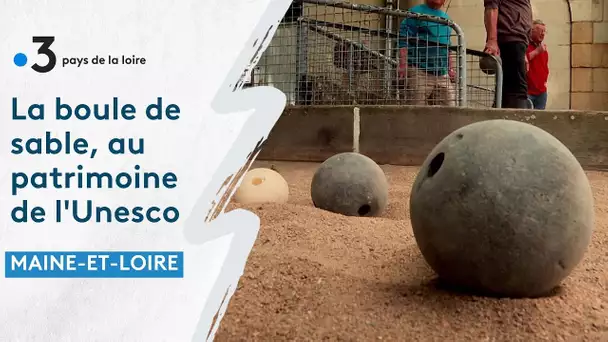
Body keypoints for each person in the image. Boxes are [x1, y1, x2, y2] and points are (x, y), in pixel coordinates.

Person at [398, 0, 456, 106]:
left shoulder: (447, 18)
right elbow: (403, 39)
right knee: (416, 108)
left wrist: (450, 68)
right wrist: (403, 64)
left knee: (450, 107)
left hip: (442, 73)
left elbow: (448, 45)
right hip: (419, 70)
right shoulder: (416, 12)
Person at [483, 0, 533, 109]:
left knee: (507, 91)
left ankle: (500, 121)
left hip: (518, 42)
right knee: (517, 92)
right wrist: (492, 40)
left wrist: (524, 53)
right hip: (510, 39)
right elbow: (491, 7)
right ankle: (518, 122)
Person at [526, 20, 549, 109]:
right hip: (527, 92)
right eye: (540, 30)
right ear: (531, 31)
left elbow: (545, 67)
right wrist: (536, 51)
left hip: (541, 92)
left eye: (544, 31)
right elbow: (521, 61)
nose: (543, 34)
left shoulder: (543, 50)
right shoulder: (524, 45)